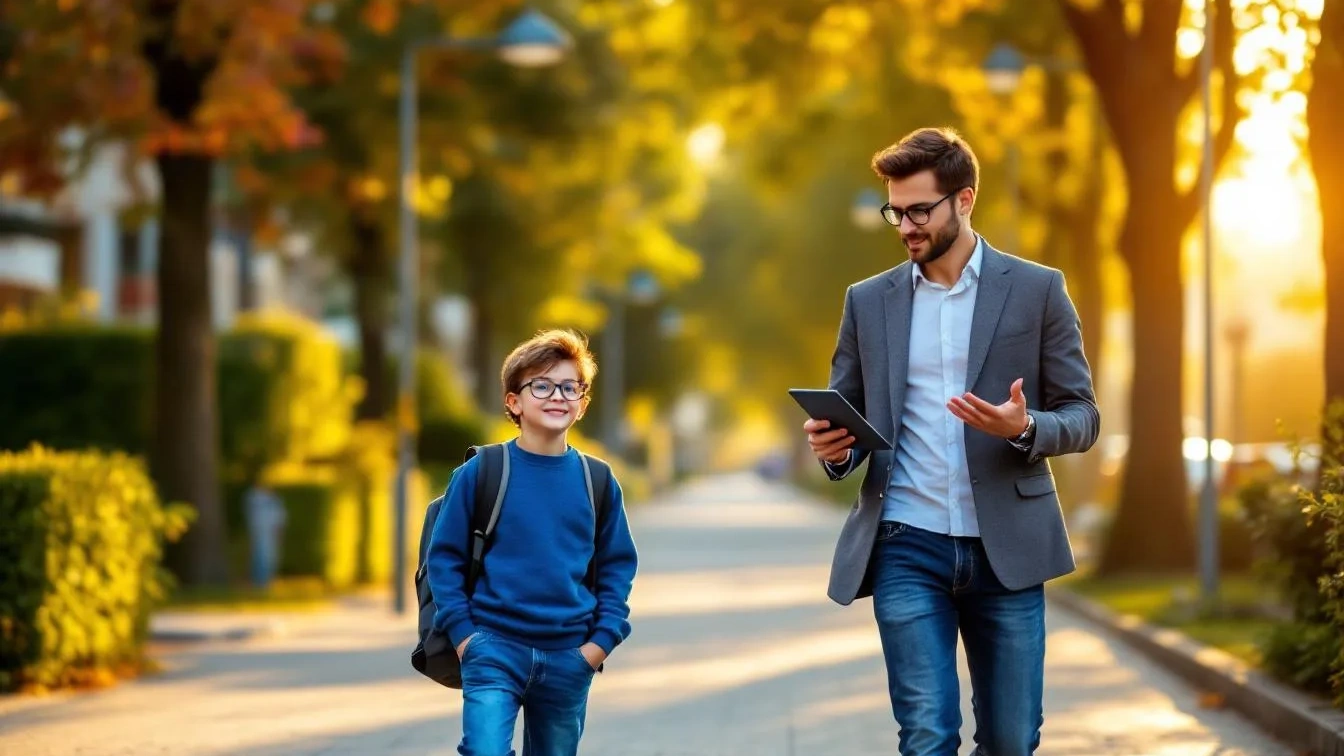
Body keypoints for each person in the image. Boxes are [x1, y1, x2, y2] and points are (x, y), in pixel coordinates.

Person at [804, 127, 1099, 756]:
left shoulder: (1038, 289)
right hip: (906, 544)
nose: (905, 226)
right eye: (895, 212)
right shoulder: (867, 301)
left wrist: (1023, 427)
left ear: (963, 201)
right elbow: (852, 422)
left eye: (918, 210)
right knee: (927, 735)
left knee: (1013, 739)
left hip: (1008, 552)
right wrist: (837, 451)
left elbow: (1083, 416)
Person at [427, 329, 638, 756]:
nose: (557, 395)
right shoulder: (481, 471)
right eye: (541, 385)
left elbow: (617, 568)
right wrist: (466, 637)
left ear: (581, 403)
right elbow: (443, 558)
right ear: (513, 402)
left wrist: (597, 647)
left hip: (569, 657)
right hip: (492, 647)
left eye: (570, 386)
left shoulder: (597, 480)